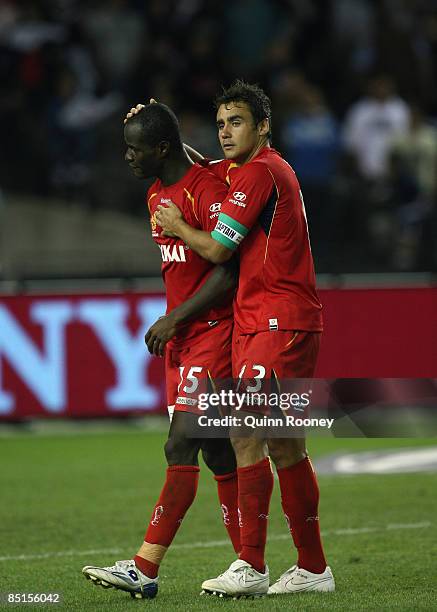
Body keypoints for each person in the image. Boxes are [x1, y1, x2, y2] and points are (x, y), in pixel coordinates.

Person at [156, 81, 335, 597]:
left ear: (263, 127)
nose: (226, 133)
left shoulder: (259, 172)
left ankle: (250, 564)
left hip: (276, 320)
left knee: (243, 433)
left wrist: (176, 224)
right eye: (220, 124)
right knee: (285, 446)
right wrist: (166, 125)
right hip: (271, 320)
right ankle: (313, 568)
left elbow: (215, 250)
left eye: (237, 122)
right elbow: (200, 167)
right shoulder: (243, 170)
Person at [82, 102, 241, 599]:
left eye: (136, 148)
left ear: (163, 149)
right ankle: (249, 562)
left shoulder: (209, 192)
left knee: (179, 444)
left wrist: (174, 316)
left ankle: (144, 568)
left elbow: (227, 268)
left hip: (212, 333)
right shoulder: (156, 193)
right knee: (217, 453)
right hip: (183, 340)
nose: (129, 157)